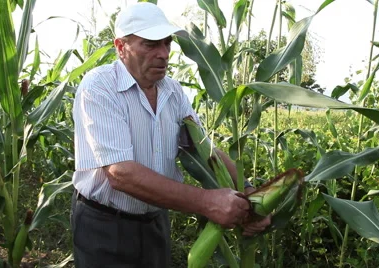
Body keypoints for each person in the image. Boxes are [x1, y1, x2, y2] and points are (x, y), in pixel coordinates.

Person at [70, 2, 271, 267]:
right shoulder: (99, 87)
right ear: (121, 47)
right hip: (105, 225)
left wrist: (251, 196)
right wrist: (206, 202)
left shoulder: (173, 93)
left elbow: (203, 148)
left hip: (154, 222)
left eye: (166, 43)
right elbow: (121, 174)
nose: (163, 54)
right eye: (150, 44)